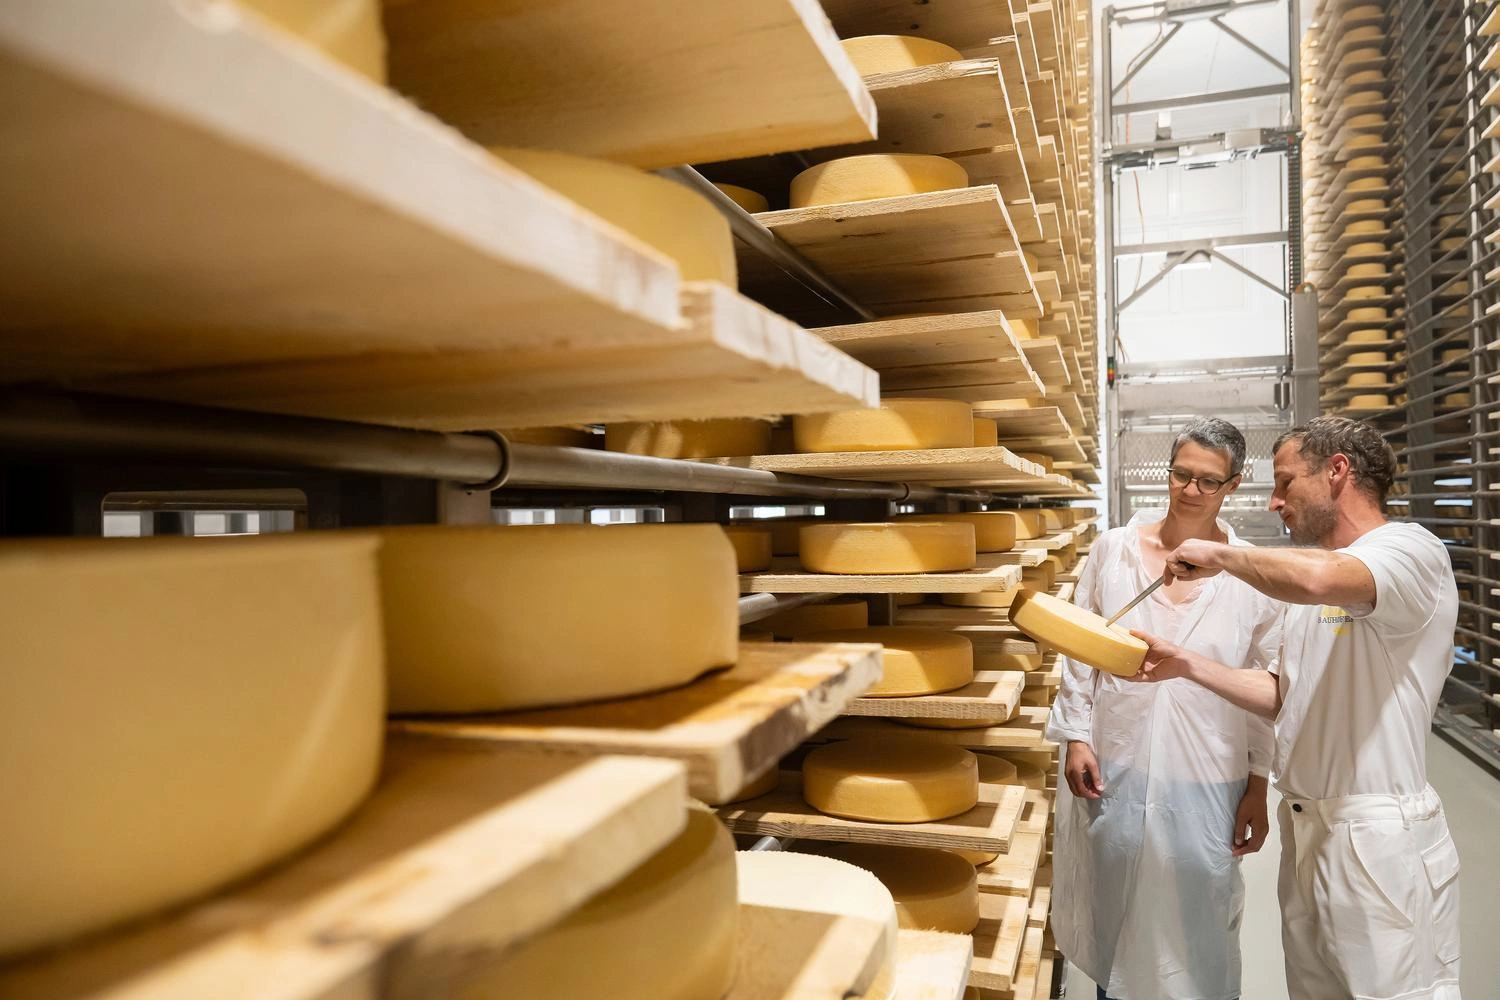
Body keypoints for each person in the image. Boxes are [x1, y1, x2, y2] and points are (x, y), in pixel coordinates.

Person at [1131, 415, 1462, 1000]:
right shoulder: (1313, 588)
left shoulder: (1409, 551)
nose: (1277, 501)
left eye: (1286, 483)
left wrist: (1223, 554)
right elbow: (1284, 696)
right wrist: (1186, 663)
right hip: (1309, 828)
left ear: (1338, 472)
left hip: (1379, 831)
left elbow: (1318, 581)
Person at [1046, 417, 1282, 1000]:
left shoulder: (1250, 571)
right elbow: (1082, 648)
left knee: (1197, 915)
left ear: (1234, 484)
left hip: (1208, 771)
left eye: (1208, 481)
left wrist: (1258, 783)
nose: (1190, 490)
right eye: (1181, 474)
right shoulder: (1115, 550)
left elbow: (1266, 686)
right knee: (1117, 910)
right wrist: (1077, 736)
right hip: (1118, 759)